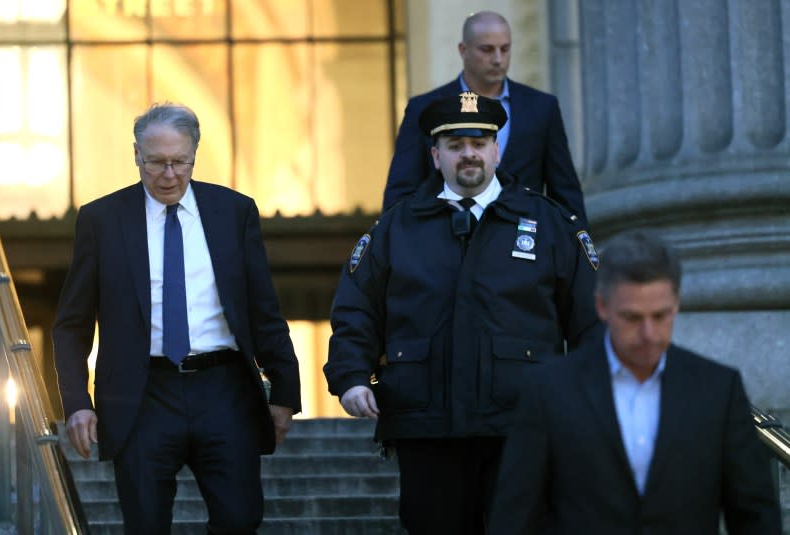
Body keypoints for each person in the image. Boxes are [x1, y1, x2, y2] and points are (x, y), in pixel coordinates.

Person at [324, 91, 601, 535]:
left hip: (524, 423)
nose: (468, 154)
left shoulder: (550, 224)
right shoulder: (397, 228)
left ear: (496, 150)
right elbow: (357, 309)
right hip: (427, 425)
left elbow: (591, 319)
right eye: (455, 146)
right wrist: (351, 377)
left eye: (478, 142)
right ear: (436, 156)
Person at [52, 103, 302, 533]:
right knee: (145, 522)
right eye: (155, 163)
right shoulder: (101, 220)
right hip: (142, 393)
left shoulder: (234, 212)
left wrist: (284, 391)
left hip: (224, 389)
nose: (168, 175)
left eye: (179, 162)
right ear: (136, 155)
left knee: (240, 518)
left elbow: (263, 309)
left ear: (194, 155)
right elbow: (72, 324)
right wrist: (76, 403)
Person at [488, 230, 782, 535]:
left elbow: (755, 517)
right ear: (602, 307)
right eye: (632, 318)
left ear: (676, 304)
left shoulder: (719, 390)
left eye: (660, 316)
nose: (648, 334)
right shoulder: (548, 390)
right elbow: (515, 517)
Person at [382, 10, 586, 224]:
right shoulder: (425, 108)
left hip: (523, 241)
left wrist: (580, 250)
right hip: (446, 241)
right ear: (463, 50)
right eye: (487, 50)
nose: (498, 59)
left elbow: (565, 191)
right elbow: (401, 192)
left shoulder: (541, 107)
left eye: (505, 49)